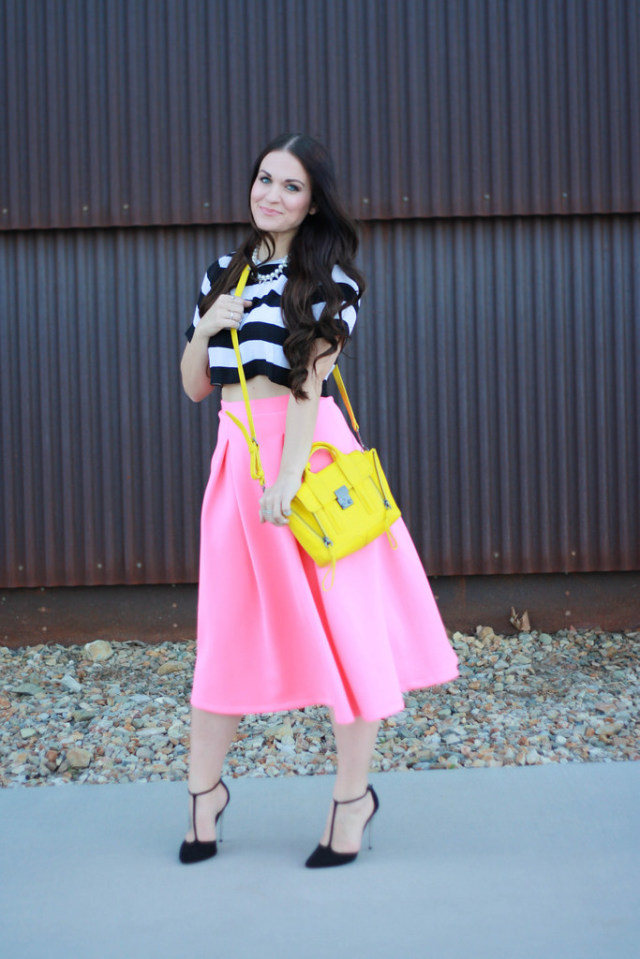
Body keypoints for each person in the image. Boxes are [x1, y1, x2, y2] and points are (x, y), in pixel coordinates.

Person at [179, 132, 458, 868]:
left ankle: (350, 799)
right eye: (263, 178)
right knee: (226, 630)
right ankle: (201, 797)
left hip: (310, 462)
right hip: (237, 459)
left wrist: (289, 478)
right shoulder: (223, 272)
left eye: (290, 186)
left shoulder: (330, 277)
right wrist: (207, 327)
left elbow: (308, 385)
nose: (270, 194)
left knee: (347, 630)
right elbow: (194, 384)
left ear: (313, 202)